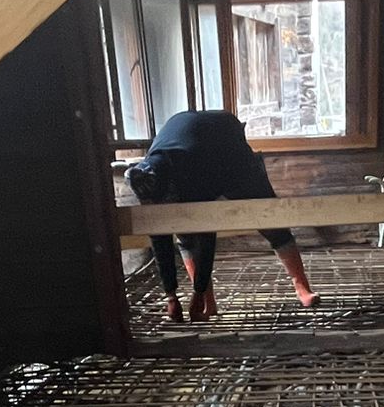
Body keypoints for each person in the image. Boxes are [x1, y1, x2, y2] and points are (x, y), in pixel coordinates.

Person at [126, 110, 320, 323]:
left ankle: (302, 286)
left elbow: (206, 234)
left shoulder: (192, 173)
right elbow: (159, 236)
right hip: (193, 140)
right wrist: (170, 295)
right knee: (185, 235)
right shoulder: (146, 174)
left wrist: (197, 292)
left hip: (228, 151)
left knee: (268, 217)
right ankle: (207, 303)